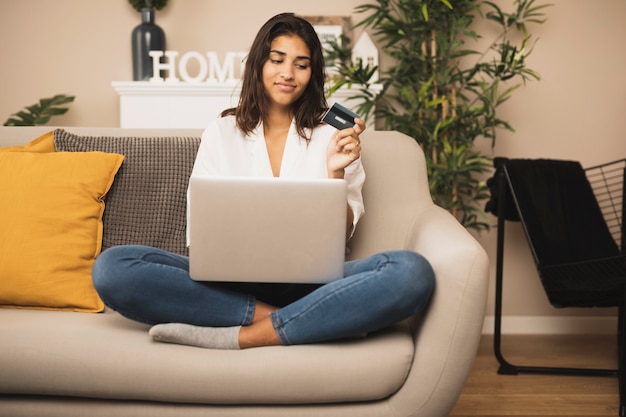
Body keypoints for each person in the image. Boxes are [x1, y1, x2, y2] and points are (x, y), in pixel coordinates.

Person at [92, 12, 435, 350]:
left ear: (313, 73)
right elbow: (200, 237)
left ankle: (249, 334)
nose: (288, 73)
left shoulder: (335, 137)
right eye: (277, 60)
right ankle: (302, 319)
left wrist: (336, 172)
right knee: (113, 267)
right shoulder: (221, 133)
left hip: (313, 284)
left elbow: (340, 237)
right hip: (226, 286)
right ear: (259, 63)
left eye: (301, 64)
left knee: (411, 272)